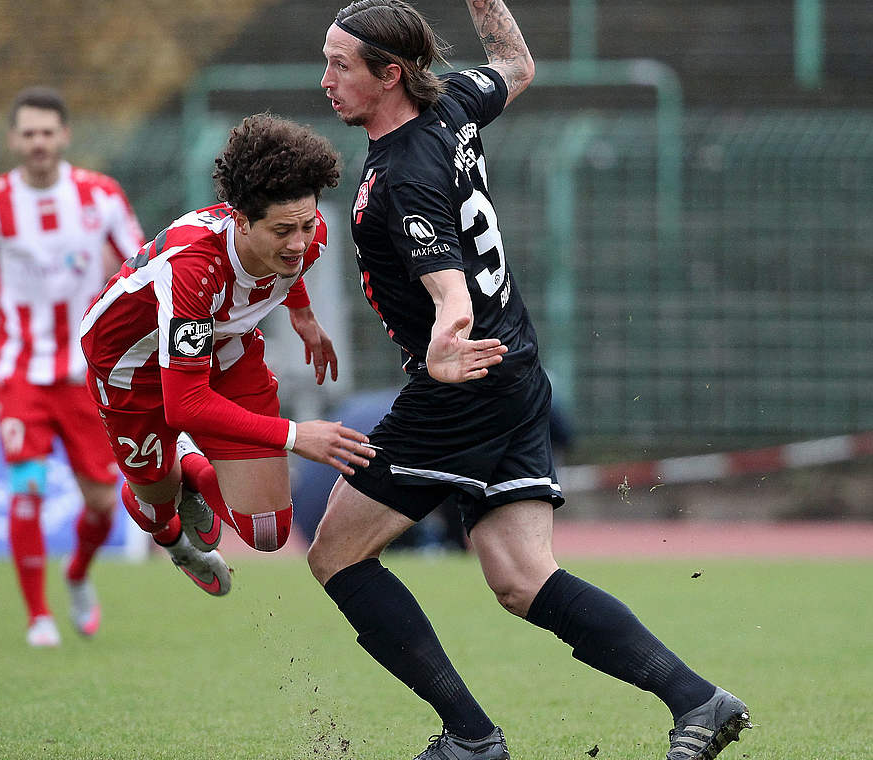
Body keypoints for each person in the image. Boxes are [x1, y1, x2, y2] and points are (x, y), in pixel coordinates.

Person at [313, 3, 751, 759]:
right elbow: (517, 66)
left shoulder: (406, 171)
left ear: (390, 75)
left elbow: (448, 289)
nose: (325, 80)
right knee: (521, 578)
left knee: (336, 556)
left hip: (466, 383)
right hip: (514, 370)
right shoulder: (450, 102)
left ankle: (471, 738)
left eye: (341, 65)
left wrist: (447, 346)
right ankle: (699, 702)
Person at [79, 113, 376, 598]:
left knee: (267, 532)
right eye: (283, 231)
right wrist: (296, 435)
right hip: (130, 366)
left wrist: (302, 314)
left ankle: (192, 478)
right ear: (240, 219)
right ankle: (176, 536)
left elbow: (291, 262)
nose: (299, 242)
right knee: (155, 503)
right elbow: (186, 404)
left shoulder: (307, 232)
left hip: (223, 345)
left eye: (305, 225)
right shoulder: (195, 268)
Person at [0, 86, 143, 647]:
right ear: (14, 139)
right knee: (26, 488)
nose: (37, 142)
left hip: (86, 374)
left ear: (64, 136)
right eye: (27, 133)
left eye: (46, 132)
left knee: (103, 505)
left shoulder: (100, 196)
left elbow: (138, 265)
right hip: (18, 373)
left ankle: (78, 573)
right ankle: (38, 616)